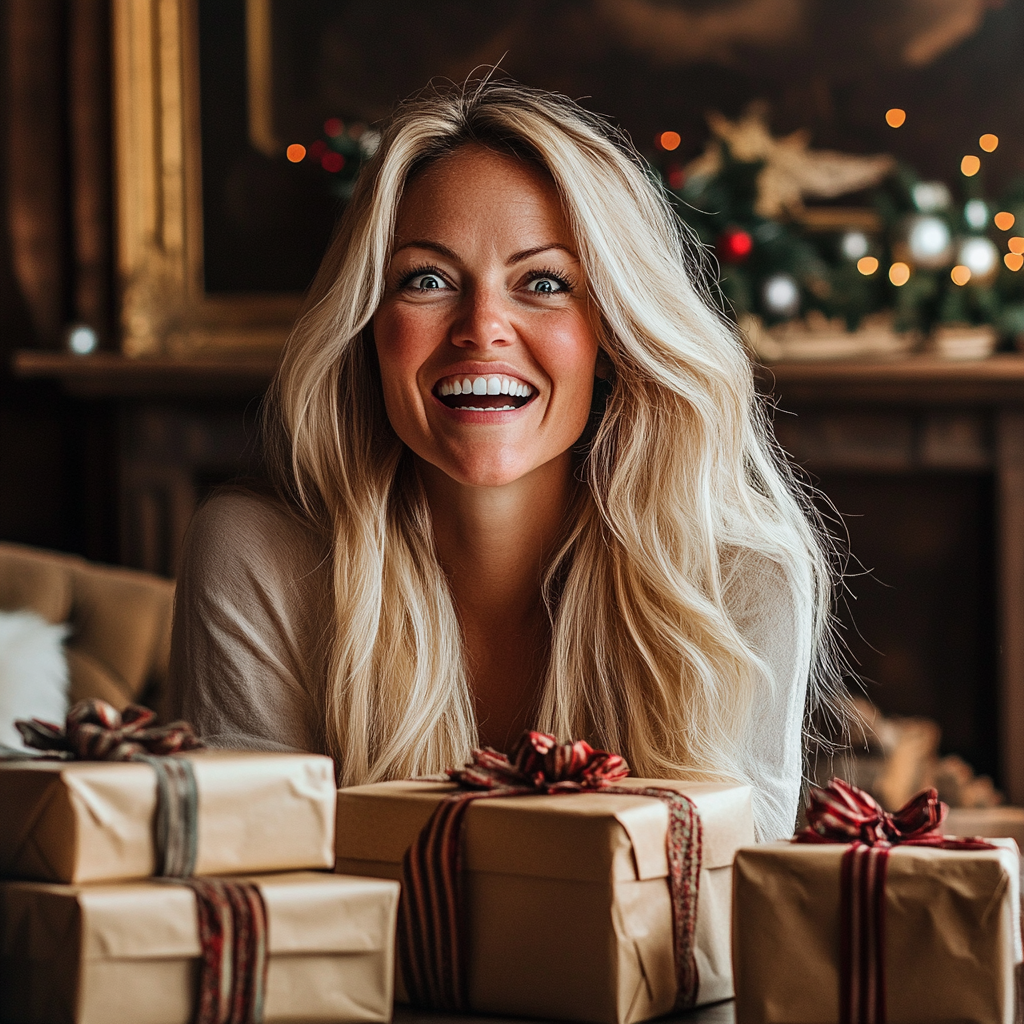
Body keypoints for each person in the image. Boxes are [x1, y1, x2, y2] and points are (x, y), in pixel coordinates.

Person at [167, 79, 839, 841]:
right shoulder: (254, 556)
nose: (482, 328)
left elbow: (722, 923)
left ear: (611, 340)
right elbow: (255, 898)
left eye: (543, 283)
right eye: (427, 280)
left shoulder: (738, 581)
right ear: (367, 329)